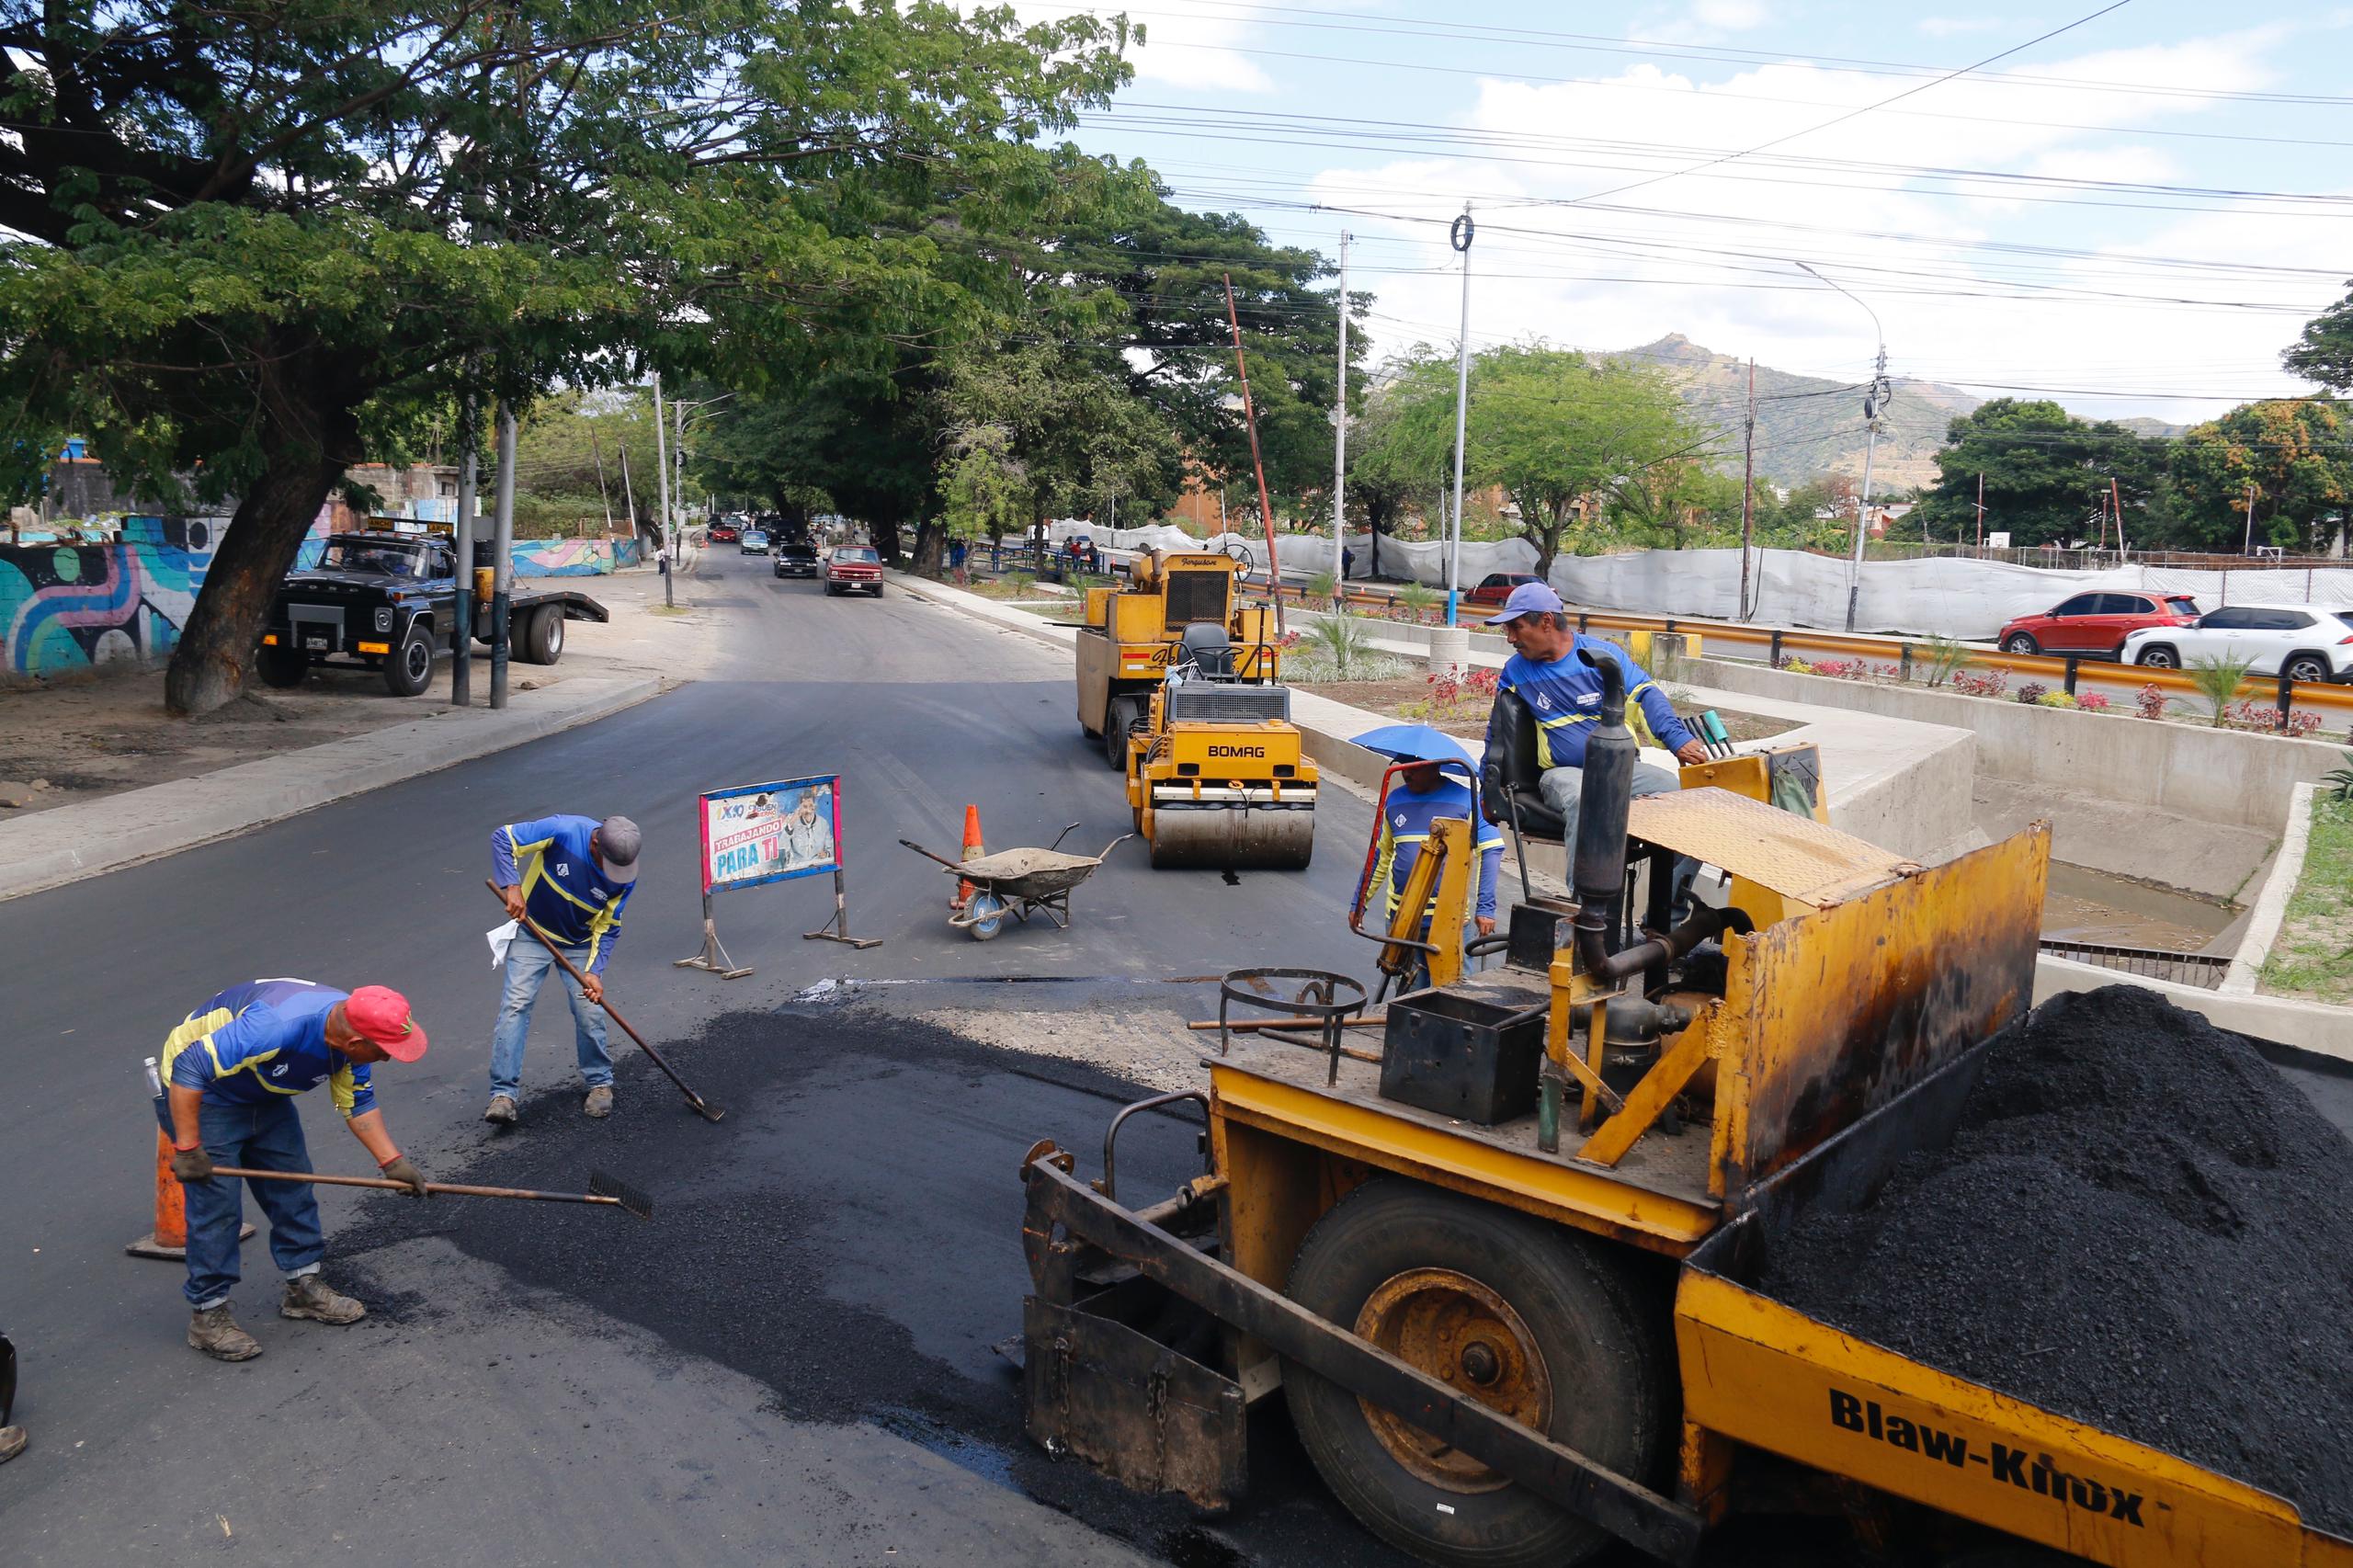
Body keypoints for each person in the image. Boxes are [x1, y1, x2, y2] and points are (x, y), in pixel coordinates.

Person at [159, 980, 430, 1361]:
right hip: (203, 1093)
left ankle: (302, 1287)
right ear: (355, 1042)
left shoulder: (354, 1034)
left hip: (263, 1088)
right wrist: (188, 1148)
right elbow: (190, 1067)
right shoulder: (275, 1025)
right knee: (217, 1207)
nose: (387, 1059)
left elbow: (358, 1101)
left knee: (293, 1186)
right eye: (384, 1051)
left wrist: (393, 1163)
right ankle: (208, 1313)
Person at [1482, 582, 1708, 846]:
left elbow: (1646, 693)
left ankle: (1672, 874)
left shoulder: (1603, 657)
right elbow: (1496, 733)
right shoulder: (1516, 672)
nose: (1510, 638)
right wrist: (1487, 790)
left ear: (1546, 621)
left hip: (1621, 769)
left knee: (1684, 798)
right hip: (1564, 774)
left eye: (1516, 627)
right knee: (1584, 799)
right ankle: (1585, 876)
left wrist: (1677, 738)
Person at [485, 813, 640, 1125]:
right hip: (532, 933)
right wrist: (512, 886)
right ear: (595, 843)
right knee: (516, 1006)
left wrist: (594, 972)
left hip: (580, 943)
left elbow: (609, 927)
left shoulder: (624, 876)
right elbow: (503, 837)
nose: (610, 873)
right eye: (607, 863)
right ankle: (503, 1095)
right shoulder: (563, 831)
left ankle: (599, 1083)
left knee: (589, 1010)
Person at [1367, 758, 1505, 985]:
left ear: (1434, 767)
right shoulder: (1394, 800)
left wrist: (1486, 908)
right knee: (1407, 996)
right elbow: (1380, 855)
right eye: (1403, 766)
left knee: (1453, 993)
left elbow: (1491, 849)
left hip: (1449, 920)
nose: (1406, 773)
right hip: (1402, 918)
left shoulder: (1467, 800)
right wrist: (1360, 902)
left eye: (1415, 768)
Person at [781, 789, 835, 869]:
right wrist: (791, 823)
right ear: (800, 807)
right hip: (797, 866)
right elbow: (782, 845)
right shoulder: (792, 822)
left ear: (814, 806)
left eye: (811, 806)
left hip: (818, 865)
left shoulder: (823, 823)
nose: (808, 811)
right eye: (805, 807)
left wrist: (826, 854)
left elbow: (831, 847)